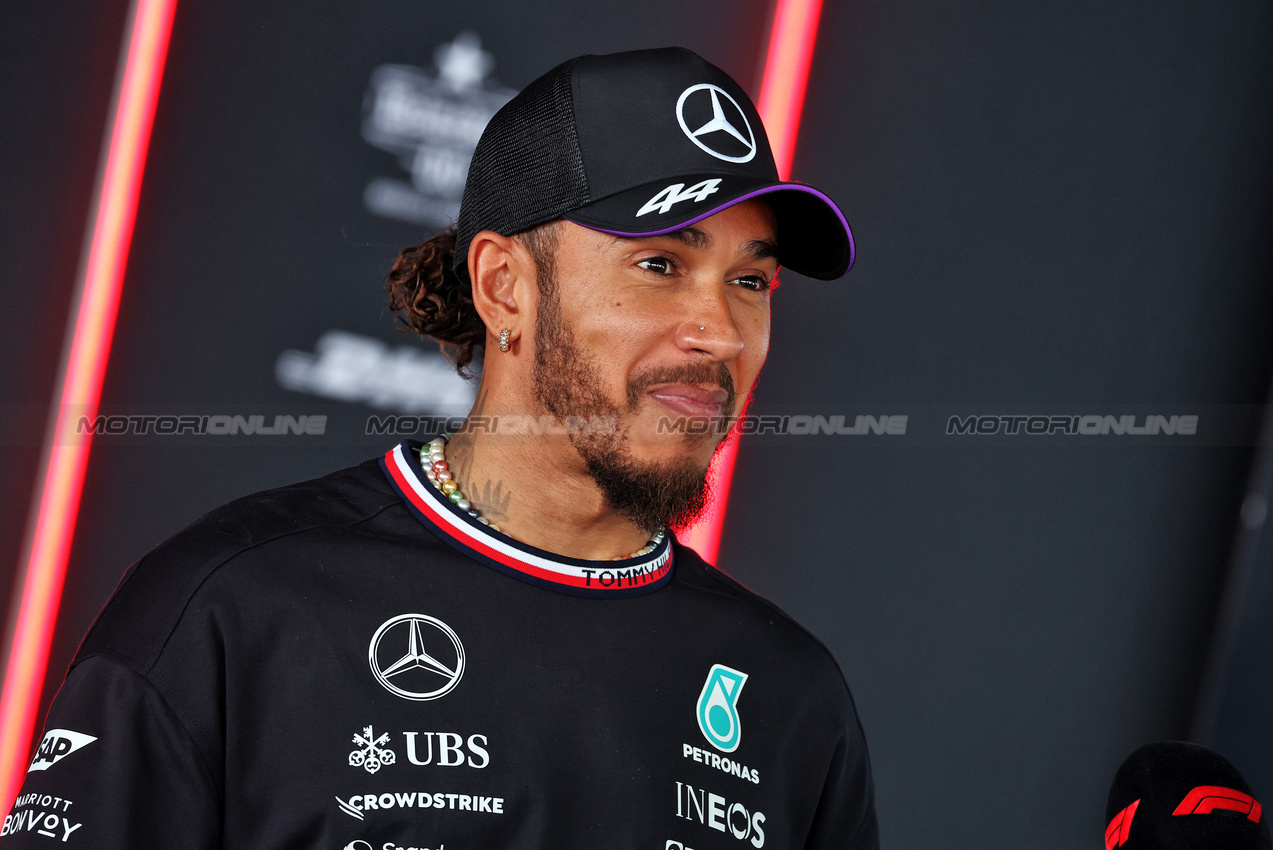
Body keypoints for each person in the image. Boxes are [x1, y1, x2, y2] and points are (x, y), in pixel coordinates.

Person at [0, 47, 878, 849]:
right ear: (504, 287)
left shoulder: (791, 698)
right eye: (658, 265)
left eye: (750, 281)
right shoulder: (233, 608)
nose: (719, 332)